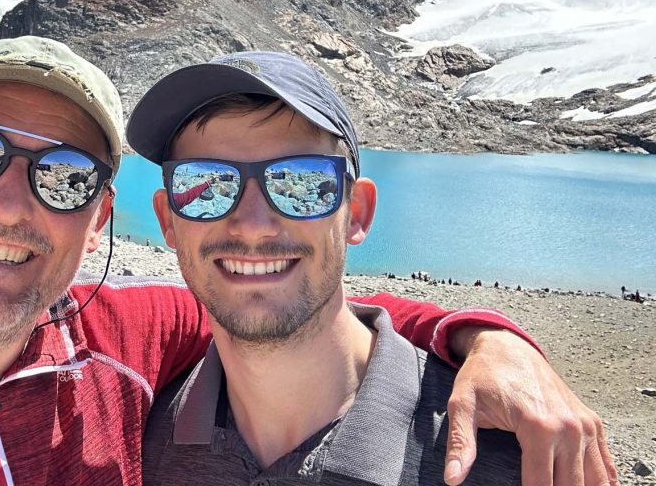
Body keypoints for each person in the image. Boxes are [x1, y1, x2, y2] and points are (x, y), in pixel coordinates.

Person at [0, 38, 614, 485]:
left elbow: (284, 296)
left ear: (101, 227)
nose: (7, 200)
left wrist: (489, 340)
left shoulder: (129, 341)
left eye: (67, 177)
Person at [130, 51, 616, 486]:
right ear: (168, 222)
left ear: (357, 212)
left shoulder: (517, 458)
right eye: (206, 183)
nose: (253, 226)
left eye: (300, 182)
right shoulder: (139, 441)